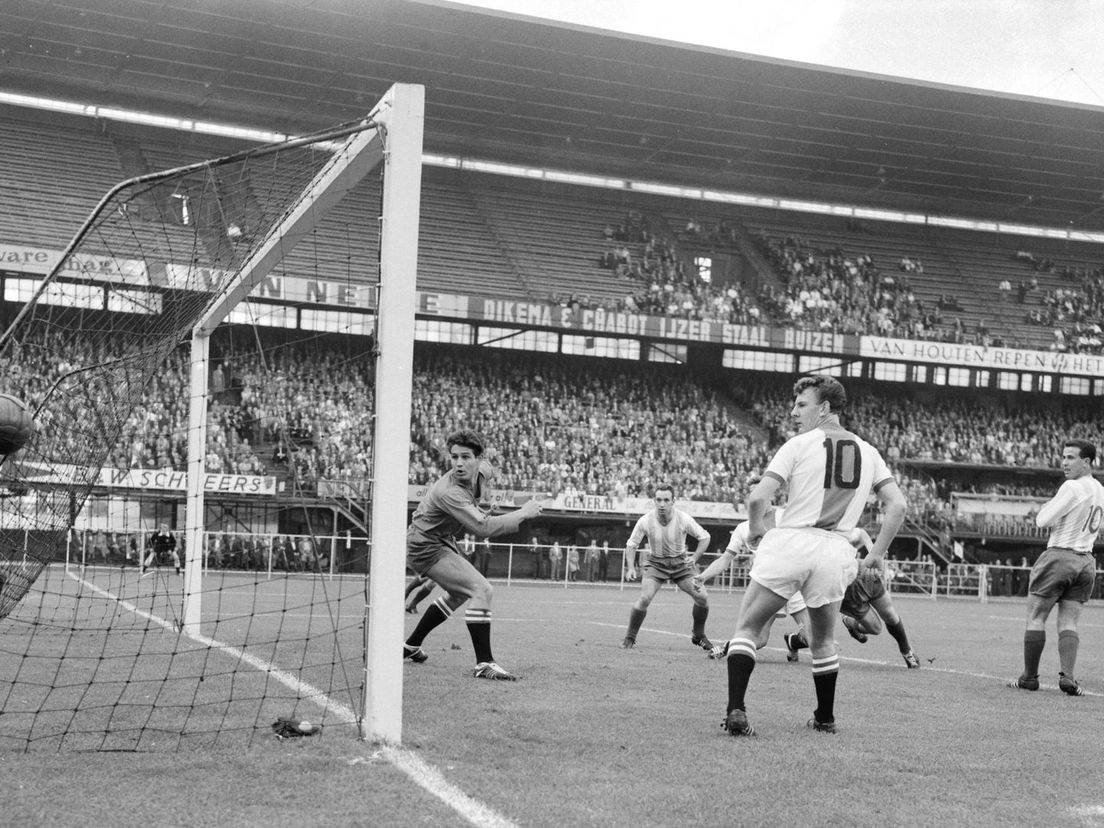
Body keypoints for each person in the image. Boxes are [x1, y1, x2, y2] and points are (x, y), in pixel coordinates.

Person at [720, 375, 906, 737]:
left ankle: (737, 710)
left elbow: (758, 499)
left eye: (801, 404)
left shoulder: (799, 444)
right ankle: (824, 718)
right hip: (836, 551)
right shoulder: (869, 452)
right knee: (822, 639)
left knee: (747, 628)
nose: (793, 412)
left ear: (823, 408)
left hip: (793, 540)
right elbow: (897, 505)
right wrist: (876, 554)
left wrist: (758, 530)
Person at [403, 429, 543, 681]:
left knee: (459, 594)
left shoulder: (484, 470)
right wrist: (523, 512)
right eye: (454, 457)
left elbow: (486, 483)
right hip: (424, 544)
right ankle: (484, 663)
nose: (458, 463)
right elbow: (482, 528)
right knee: (482, 589)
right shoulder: (449, 492)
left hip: (441, 540)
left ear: (479, 459)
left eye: (465, 457)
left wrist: (485, 502)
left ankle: (411, 645)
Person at [1009, 439, 1104, 696]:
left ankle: (1029, 678)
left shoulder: (1072, 486)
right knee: (1069, 622)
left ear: (1086, 461)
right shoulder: (1099, 489)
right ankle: (1068, 678)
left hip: (1060, 555)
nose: (1064, 462)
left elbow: (1042, 520)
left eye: (1071, 457)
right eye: (1063, 456)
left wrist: (1044, 509)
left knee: (1037, 617)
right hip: (1086, 561)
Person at [784, 526, 921, 669]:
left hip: (863, 574)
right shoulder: (806, 542)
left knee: (890, 615)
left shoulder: (834, 527)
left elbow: (861, 533)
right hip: (845, 593)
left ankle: (907, 651)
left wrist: (873, 551)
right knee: (876, 628)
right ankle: (849, 624)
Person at [697, 507, 811, 660]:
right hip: (768, 586)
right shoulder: (743, 528)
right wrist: (703, 576)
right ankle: (726, 647)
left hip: (794, 581)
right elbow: (725, 559)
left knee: (812, 636)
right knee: (760, 639)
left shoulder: (787, 516)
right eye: (753, 494)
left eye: (761, 490)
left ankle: (792, 642)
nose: (757, 498)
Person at [619, 483, 713, 651]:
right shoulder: (645, 520)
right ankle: (629, 638)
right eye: (659, 500)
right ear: (654, 501)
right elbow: (631, 544)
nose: (662, 504)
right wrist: (630, 567)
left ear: (673, 501)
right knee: (644, 598)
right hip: (656, 563)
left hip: (681, 564)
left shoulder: (683, 519)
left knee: (703, 598)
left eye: (666, 500)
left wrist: (695, 557)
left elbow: (705, 537)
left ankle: (698, 635)